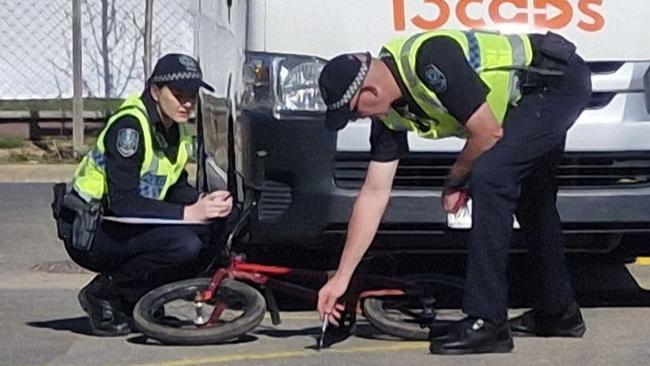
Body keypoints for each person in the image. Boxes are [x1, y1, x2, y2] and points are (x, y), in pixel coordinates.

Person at [316, 30, 591, 354]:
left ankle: (488, 323)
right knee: (532, 200)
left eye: (354, 111)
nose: (357, 118)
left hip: (555, 84)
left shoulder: (431, 58)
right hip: (527, 103)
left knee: (491, 175)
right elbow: (374, 193)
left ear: (371, 91)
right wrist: (342, 277)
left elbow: (487, 133)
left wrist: (455, 181)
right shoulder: (390, 114)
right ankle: (559, 313)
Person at [62, 53, 232, 336]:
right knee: (183, 245)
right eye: (178, 94)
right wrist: (189, 213)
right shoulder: (129, 129)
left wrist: (204, 202)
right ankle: (103, 294)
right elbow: (123, 202)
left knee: (212, 233)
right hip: (90, 229)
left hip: (123, 223)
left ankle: (142, 301)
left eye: (191, 95)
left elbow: (173, 187)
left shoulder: (174, 130)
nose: (187, 103)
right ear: (155, 91)